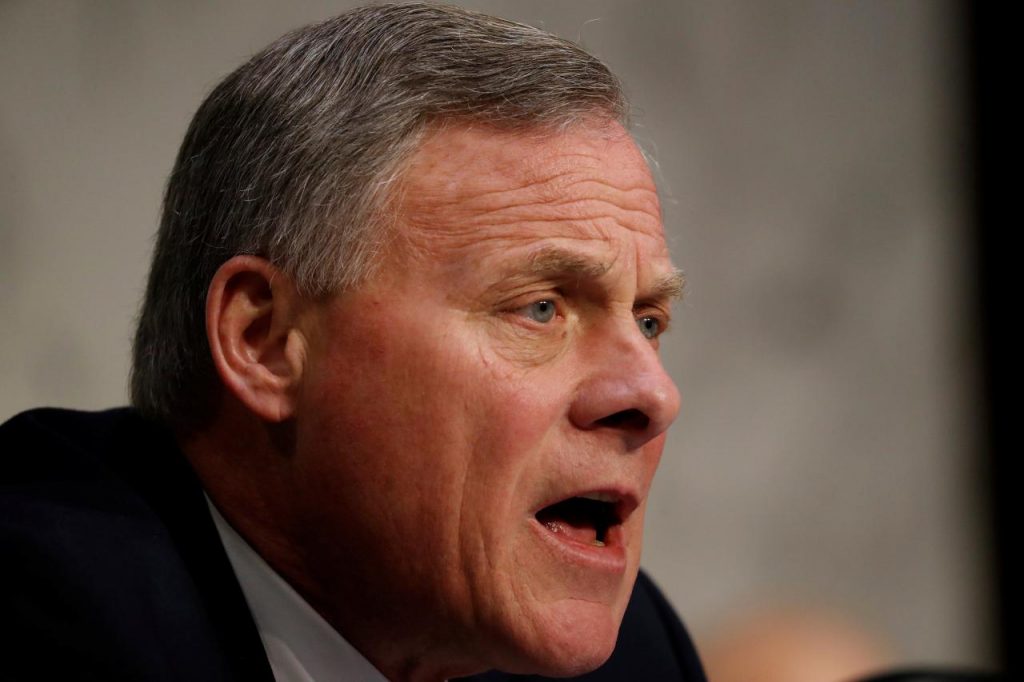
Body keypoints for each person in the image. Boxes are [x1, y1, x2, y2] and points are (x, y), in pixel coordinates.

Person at [1, 4, 705, 680]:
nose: (653, 394)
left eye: (648, 321)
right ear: (265, 341)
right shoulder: (36, 605)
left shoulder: (637, 657)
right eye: (541, 308)